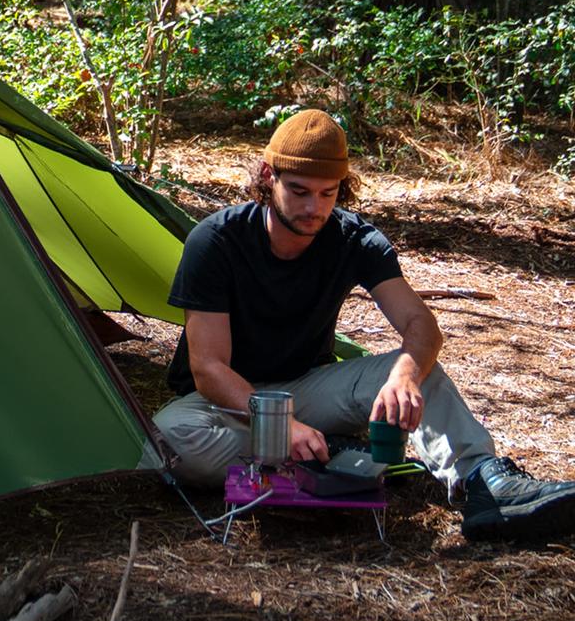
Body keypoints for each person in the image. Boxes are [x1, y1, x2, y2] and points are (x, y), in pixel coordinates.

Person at [151, 108, 575, 541]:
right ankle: (330, 451)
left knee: (416, 368)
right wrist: (282, 428)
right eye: (298, 191)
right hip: (229, 406)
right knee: (169, 441)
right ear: (267, 176)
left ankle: (484, 482)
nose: (313, 207)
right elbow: (209, 368)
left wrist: (404, 378)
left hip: (308, 387)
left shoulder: (354, 240)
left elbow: (420, 324)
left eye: (327, 193)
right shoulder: (216, 241)